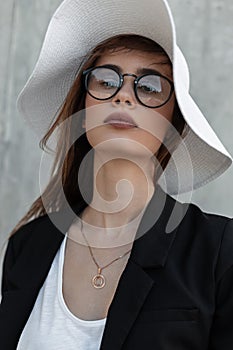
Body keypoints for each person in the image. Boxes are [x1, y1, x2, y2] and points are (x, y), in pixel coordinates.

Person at [0, 0, 233, 349]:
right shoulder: (27, 246)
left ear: (174, 123)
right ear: (83, 107)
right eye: (106, 80)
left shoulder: (218, 252)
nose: (124, 95)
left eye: (150, 87)